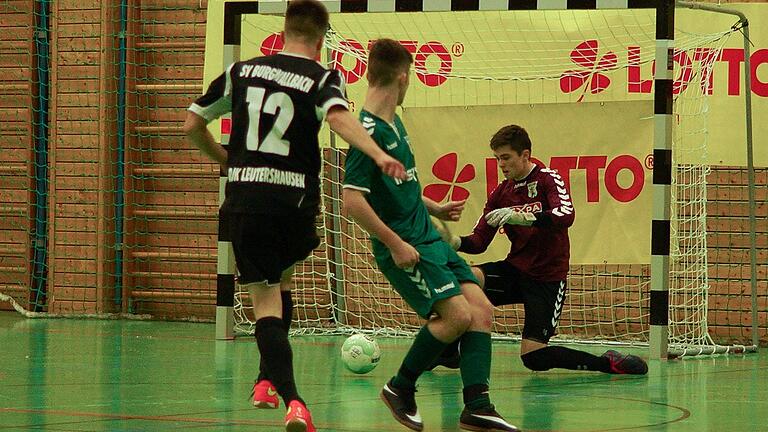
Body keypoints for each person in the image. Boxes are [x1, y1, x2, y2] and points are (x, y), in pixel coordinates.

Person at [183, 2, 406, 431]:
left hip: (247, 201)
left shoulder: (241, 72)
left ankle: (293, 400)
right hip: (295, 205)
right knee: (282, 281)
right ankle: (270, 383)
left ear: (283, 32)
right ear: (321, 41)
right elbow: (339, 119)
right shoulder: (320, 78)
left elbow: (191, 124)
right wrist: (377, 154)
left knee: (264, 300)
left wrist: (226, 161)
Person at [342, 39, 519, 432]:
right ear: (403, 77)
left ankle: (477, 405)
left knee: (481, 308)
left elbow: (398, 189)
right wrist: (395, 243)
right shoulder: (365, 131)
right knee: (455, 316)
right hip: (407, 246)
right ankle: (399, 387)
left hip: (429, 237)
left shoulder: (394, 122)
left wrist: (432, 208)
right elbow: (352, 201)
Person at [434, 124, 648, 375]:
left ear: (525, 155)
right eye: (497, 159)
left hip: (547, 278)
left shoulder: (548, 179)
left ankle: (607, 363)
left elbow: (566, 215)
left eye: (506, 158)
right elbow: (479, 242)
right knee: (463, 282)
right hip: (515, 270)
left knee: (534, 357)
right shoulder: (501, 192)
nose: (501, 165)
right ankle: (448, 353)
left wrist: (522, 217)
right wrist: (454, 243)